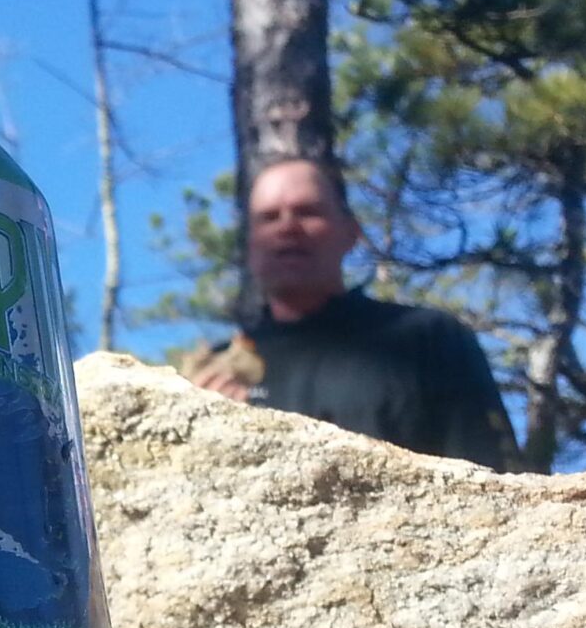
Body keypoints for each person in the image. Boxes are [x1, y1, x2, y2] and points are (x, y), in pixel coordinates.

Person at [186, 157, 520, 470]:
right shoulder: (215, 373)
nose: (287, 227)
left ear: (351, 232)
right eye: (268, 217)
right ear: (249, 243)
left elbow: (490, 475)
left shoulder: (430, 339)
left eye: (307, 211)